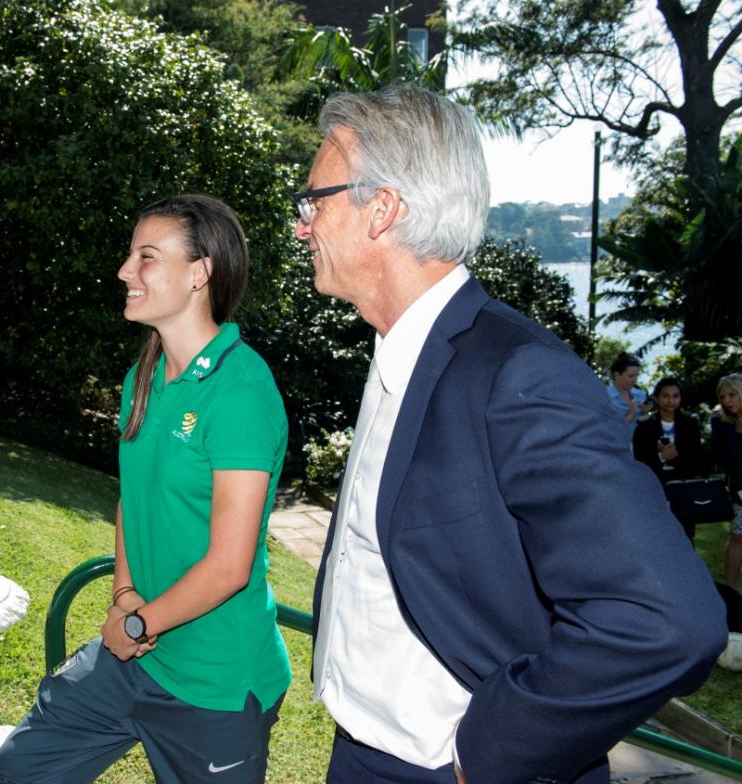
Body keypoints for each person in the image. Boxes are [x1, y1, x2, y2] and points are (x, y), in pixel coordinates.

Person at [296, 84, 725, 784]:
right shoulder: (400, 350)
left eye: (314, 201)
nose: (302, 224)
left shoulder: (518, 374)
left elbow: (668, 620)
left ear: (383, 210)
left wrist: (492, 749)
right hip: (365, 751)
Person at [0, 195, 291, 783]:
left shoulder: (241, 391)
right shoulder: (144, 376)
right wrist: (125, 596)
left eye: (146, 257)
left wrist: (135, 626)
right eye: (131, 256)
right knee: (18, 772)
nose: (126, 271)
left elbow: (229, 566)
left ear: (201, 273)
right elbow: (133, 498)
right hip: (136, 651)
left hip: (215, 683)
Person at [632, 377, 707, 538]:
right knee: (656, 536)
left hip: (683, 486)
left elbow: (697, 459)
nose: (671, 400)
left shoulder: (690, 424)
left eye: (675, 396)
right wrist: (661, 456)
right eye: (666, 396)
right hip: (655, 488)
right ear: (657, 398)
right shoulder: (645, 426)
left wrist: (673, 457)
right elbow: (639, 459)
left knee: (685, 535)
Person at [711, 374, 742, 589]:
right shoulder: (719, 422)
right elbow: (722, 458)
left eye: (732, 395)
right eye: (723, 397)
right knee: (738, 537)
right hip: (739, 487)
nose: (727, 401)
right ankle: (730, 590)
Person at [607, 352, 649, 426]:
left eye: (636, 376)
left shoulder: (641, 395)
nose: (635, 380)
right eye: (630, 376)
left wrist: (645, 412)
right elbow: (609, 429)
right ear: (617, 375)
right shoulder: (606, 398)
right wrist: (631, 414)